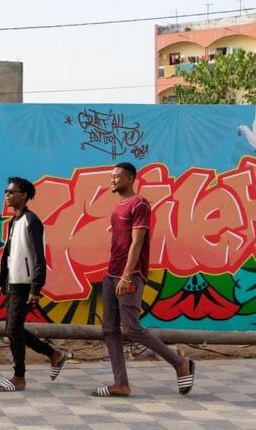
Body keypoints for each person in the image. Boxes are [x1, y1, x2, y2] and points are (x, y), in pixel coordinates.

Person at [93, 162, 195, 397]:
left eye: (117, 177)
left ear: (130, 179)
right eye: (112, 176)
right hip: (111, 274)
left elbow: (137, 242)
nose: (112, 180)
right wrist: (114, 274)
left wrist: (127, 275)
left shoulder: (139, 204)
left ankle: (180, 363)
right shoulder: (119, 205)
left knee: (132, 328)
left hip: (129, 275)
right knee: (109, 329)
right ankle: (121, 383)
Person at [0, 177, 71, 392]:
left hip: (25, 284)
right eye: (6, 191)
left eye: (12, 191)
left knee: (13, 329)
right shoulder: (14, 222)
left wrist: (36, 287)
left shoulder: (31, 220)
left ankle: (19, 377)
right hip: (13, 282)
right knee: (13, 329)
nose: (7, 195)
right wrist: (3, 280)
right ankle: (54, 354)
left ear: (24, 195)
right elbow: (10, 254)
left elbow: (38, 256)